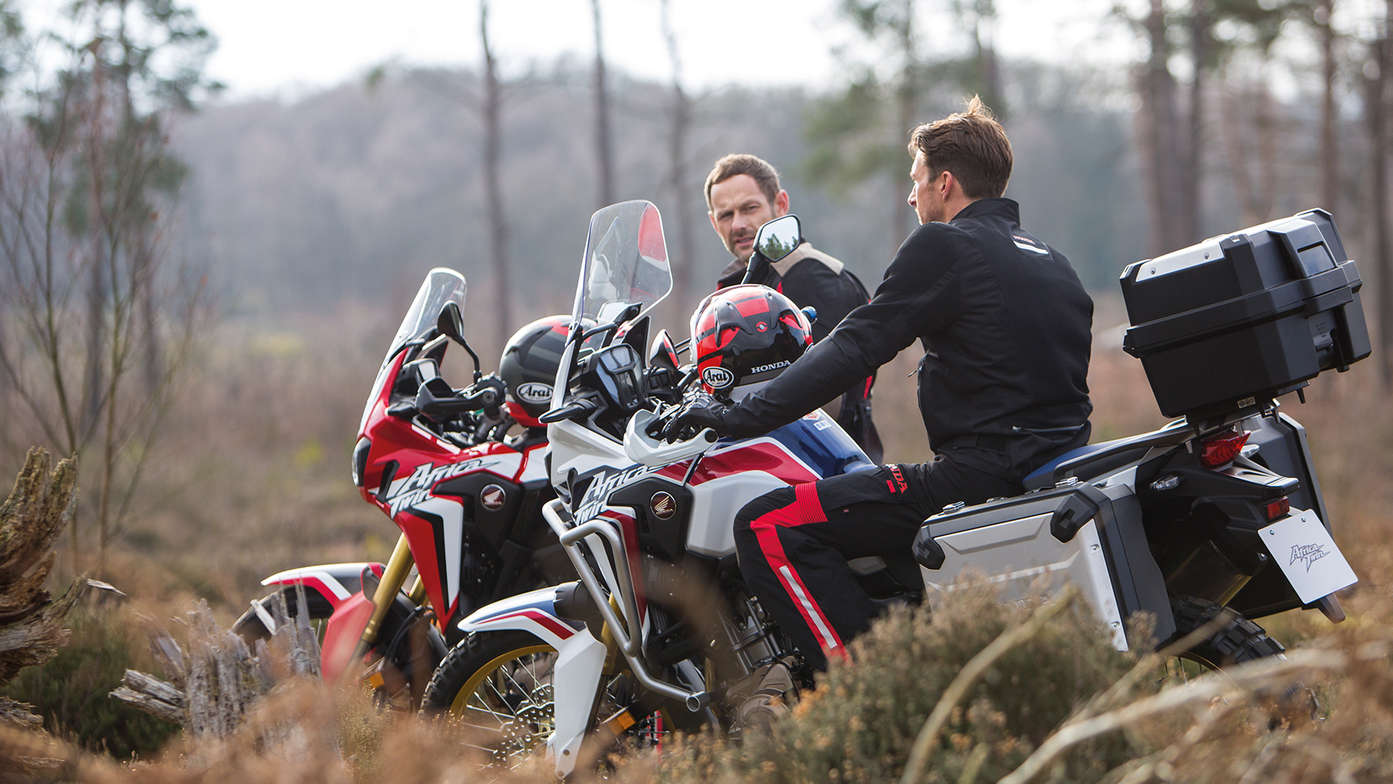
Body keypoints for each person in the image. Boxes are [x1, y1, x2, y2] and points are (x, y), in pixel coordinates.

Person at [663, 98, 1094, 671]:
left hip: (982, 470)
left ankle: (871, 692)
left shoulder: (946, 245)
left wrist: (740, 415)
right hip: (1057, 459)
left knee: (766, 523)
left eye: (916, 182)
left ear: (945, 183)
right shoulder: (1049, 257)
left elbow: (855, 345)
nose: (912, 197)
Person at [704, 154, 882, 462]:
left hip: (827, 462)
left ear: (781, 204)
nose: (739, 224)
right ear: (713, 222)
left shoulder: (810, 273)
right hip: (774, 455)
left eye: (750, 208)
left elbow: (828, 392)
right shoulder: (741, 282)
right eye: (726, 215)